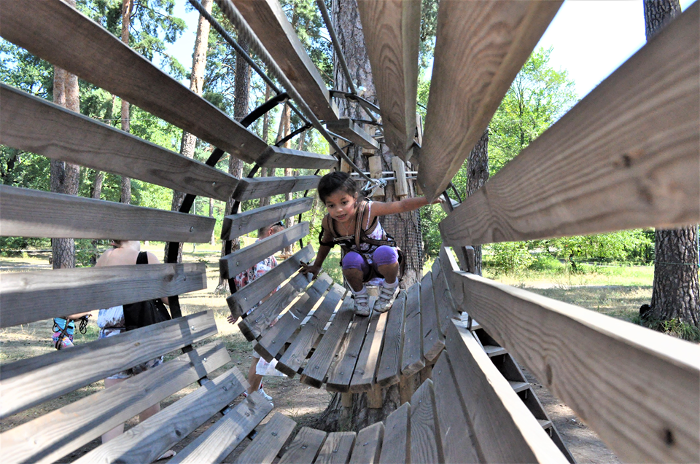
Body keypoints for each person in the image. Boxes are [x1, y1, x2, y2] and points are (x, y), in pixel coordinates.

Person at [300, 171, 438, 316]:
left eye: (344, 202)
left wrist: (428, 199)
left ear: (354, 197)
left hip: (384, 262)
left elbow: (401, 205)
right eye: (331, 205)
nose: (338, 210)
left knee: (385, 252)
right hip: (361, 267)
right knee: (349, 259)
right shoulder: (329, 222)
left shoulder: (368, 209)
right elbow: (326, 243)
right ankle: (360, 297)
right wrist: (316, 266)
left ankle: (390, 288)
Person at [94, 240, 175, 460]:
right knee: (149, 394)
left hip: (112, 338)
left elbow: (91, 292)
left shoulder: (106, 258)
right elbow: (169, 297)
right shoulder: (147, 258)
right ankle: (153, 448)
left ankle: (109, 455)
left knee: (114, 402)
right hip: (145, 337)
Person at [227, 222, 286, 401]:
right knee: (259, 355)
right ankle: (251, 395)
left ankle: (256, 389)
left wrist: (238, 309)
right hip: (261, 313)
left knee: (262, 354)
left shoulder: (250, 251)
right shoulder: (263, 256)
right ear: (270, 232)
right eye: (280, 236)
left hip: (251, 311)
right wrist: (271, 314)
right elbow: (265, 287)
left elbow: (239, 282)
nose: (282, 242)